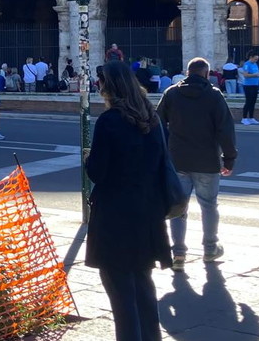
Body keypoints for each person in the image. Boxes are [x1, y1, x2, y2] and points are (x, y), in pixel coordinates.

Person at [84, 61, 173, 340]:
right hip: (149, 212)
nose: (98, 87)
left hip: (116, 215)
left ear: (109, 87)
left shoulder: (110, 121)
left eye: (100, 83)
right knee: (144, 284)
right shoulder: (153, 118)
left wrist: (88, 158)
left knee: (120, 289)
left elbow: (98, 171)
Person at [156, 57, 237, 272]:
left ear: (187, 72)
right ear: (206, 73)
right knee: (209, 206)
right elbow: (225, 130)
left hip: (178, 159)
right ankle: (210, 249)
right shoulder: (214, 95)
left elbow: (157, 123)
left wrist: (165, 149)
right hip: (208, 160)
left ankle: (179, 254)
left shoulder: (172, 93)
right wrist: (229, 158)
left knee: (178, 209)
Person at [240, 51, 259, 125]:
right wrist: (255, 75)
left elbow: (256, 72)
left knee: (253, 101)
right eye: (255, 59)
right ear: (251, 57)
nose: (256, 60)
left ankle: (251, 117)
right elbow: (245, 75)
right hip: (248, 85)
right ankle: (244, 118)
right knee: (248, 101)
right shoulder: (247, 64)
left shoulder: (255, 64)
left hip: (255, 84)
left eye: (257, 59)